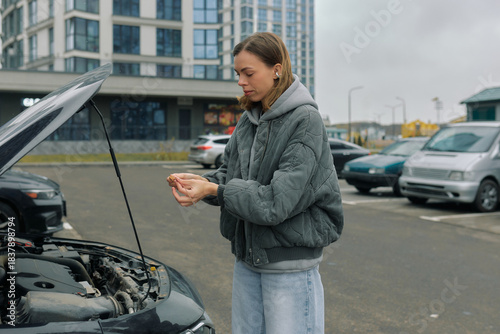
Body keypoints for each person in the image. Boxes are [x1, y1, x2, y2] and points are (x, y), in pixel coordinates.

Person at [168, 32, 343, 334]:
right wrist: (201, 184)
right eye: (238, 73)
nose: (240, 81)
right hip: (248, 257)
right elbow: (228, 177)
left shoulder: (305, 120)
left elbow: (276, 202)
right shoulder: (249, 120)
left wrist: (216, 190)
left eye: (248, 73)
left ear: (277, 69)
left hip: (289, 266)